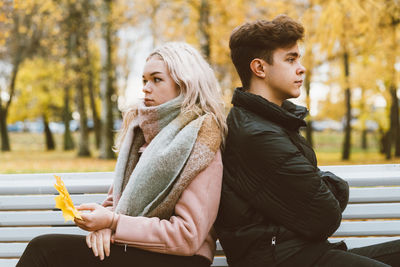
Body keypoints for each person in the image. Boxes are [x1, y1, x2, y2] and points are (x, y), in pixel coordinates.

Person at [17, 42, 226, 267]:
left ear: (185, 85)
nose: (146, 88)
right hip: (134, 252)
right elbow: (115, 200)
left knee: (46, 251)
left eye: (157, 80)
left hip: (182, 260)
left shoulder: (201, 140)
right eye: (144, 80)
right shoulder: (142, 133)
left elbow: (187, 236)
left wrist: (115, 224)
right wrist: (103, 225)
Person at [215, 15, 400, 267]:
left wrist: (320, 185)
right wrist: (333, 185)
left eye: (298, 59)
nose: (301, 67)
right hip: (281, 259)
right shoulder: (258, 135)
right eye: (291, 59)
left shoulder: (268, 122)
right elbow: (324, 216)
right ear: (259, 68)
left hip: (300, 252)